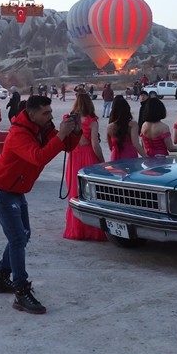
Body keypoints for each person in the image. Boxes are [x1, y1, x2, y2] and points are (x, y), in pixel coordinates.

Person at [0, 94, 79, 314]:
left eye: (50, 112)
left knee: (23, 235)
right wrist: (61, 134)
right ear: (32, 113)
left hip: (15, 190)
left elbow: (66, 146)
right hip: (1, 191)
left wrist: (74, 131)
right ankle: (21, 291)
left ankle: (0, 277)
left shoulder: (42, 127)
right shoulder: (19, 133)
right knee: (18, 238)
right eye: (46, 113)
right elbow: (39, 157)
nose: (50, 116)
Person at [63, 93, 106, 242]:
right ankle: (92, 230)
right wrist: (102, 162)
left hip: (74, 156)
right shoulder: (92, 121)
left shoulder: (69, 120)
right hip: (88, 157)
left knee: (74, 192)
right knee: (90, 194)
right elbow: (95, 144)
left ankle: (76, 229)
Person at [105, 95, 140, 161]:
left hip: (115, 155)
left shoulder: (109, 127)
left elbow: (110, 146)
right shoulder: (133, 124)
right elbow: (136, 143)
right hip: (130, 155)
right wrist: (146, 157)